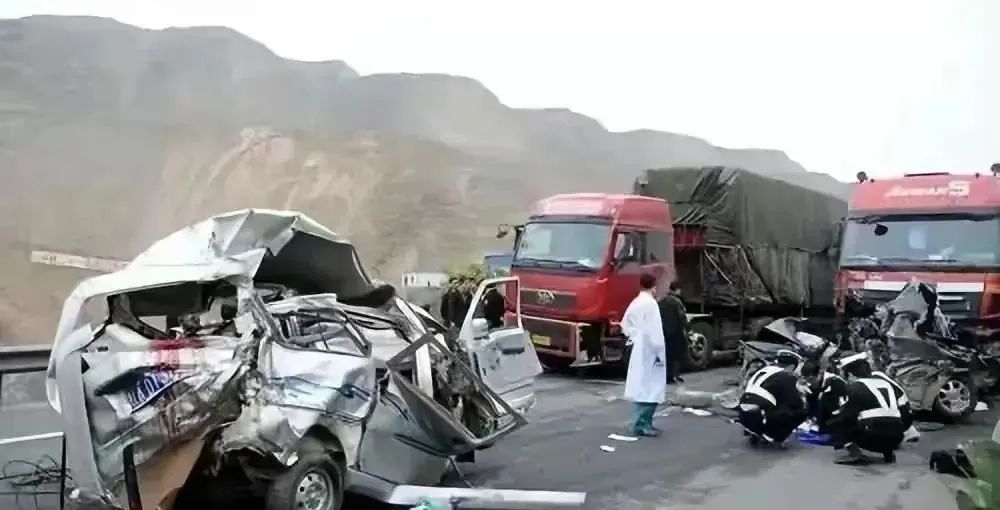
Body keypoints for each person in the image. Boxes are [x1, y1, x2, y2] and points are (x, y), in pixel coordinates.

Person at [826, 353, 906, 465]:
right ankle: (888, 454)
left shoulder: (853, 387)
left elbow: (847, 416)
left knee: (838, 421)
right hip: (897, 438)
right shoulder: (886, 383)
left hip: (871, 437)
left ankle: (854, 453)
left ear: (850, 374)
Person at [621, 272, 668, 437]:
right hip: (651, 350)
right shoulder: (651, 304)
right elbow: (655, 331)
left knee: (642, 386)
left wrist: (634, 336)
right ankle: (643, 424)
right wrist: (659, 351)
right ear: (654, 286)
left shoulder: (635, 302)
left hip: (639, 348)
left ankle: (639, 422)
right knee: (652, 388)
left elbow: (625, 324)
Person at [737, 352, 808, 446]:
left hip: (743, 407)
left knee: (773, 403)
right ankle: (773, 436)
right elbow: (794, 401)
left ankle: (755, 430)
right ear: (791, 366)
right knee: (799, 411)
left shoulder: (764, 370)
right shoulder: (787, 375)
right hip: (760, 408)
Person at [801, 360, 849, 433]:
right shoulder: (811, 385)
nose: (809, 383)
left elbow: (842, 407)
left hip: (836, 420)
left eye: (811, 379)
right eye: (806, 380)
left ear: (819, 373)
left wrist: (832, 420)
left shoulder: (835, 383)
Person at [658, 281, 688, 384]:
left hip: (664, 332)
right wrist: (686, 327)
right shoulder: (677, 302)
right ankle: (674, 375)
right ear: (677, 290)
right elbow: (682, 316)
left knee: (667, 355)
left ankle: (668, 376)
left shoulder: (661, 301)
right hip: (676, 332)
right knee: (677, 355)